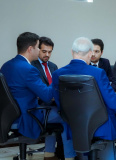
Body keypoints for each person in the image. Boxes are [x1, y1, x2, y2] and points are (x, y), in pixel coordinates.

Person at [51, 37, 116, 160]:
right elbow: (113, 103)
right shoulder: (98, 72)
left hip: (73, 126)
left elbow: (60, 104)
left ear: (71, 51)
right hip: (101, 126)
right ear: (90, 53)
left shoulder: (57, 74)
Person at [0, 32, 76, 160]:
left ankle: (49, 154)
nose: (39, 50)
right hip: (27, 116)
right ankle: (69, 157)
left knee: (53, 110)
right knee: (66, 114)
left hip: (9, 116)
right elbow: (46, 96)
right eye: (37, 47)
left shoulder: (6, 66)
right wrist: (57, 77)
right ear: (30, 49)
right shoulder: (29, 69)